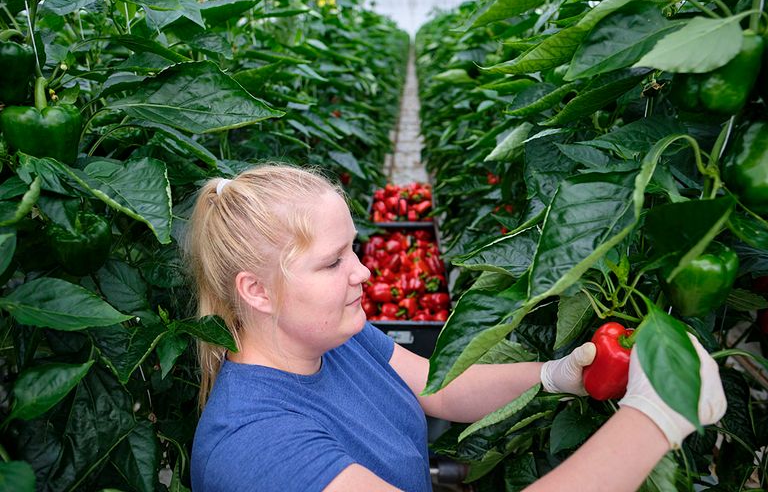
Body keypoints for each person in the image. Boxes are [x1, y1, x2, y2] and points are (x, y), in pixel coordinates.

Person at [187, 164, 727, 492]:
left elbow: (441, 389)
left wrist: (554, 376)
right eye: (333, 263)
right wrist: (655, 418)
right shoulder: (255, 446)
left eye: (354, 248)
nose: (364, 271)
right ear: (255, 291)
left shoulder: (334, 340)